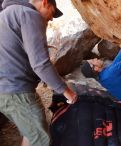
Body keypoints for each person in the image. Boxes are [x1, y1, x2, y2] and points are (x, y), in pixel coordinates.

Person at [0, 0, 77, 146]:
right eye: (53, 13)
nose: (52, 18)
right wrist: (67, 92)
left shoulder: (8, 14)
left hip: (5, 91)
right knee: (41, 140)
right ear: (45, 2)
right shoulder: (29, 15)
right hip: (17, 91)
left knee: (30, 133)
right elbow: (40, 64)